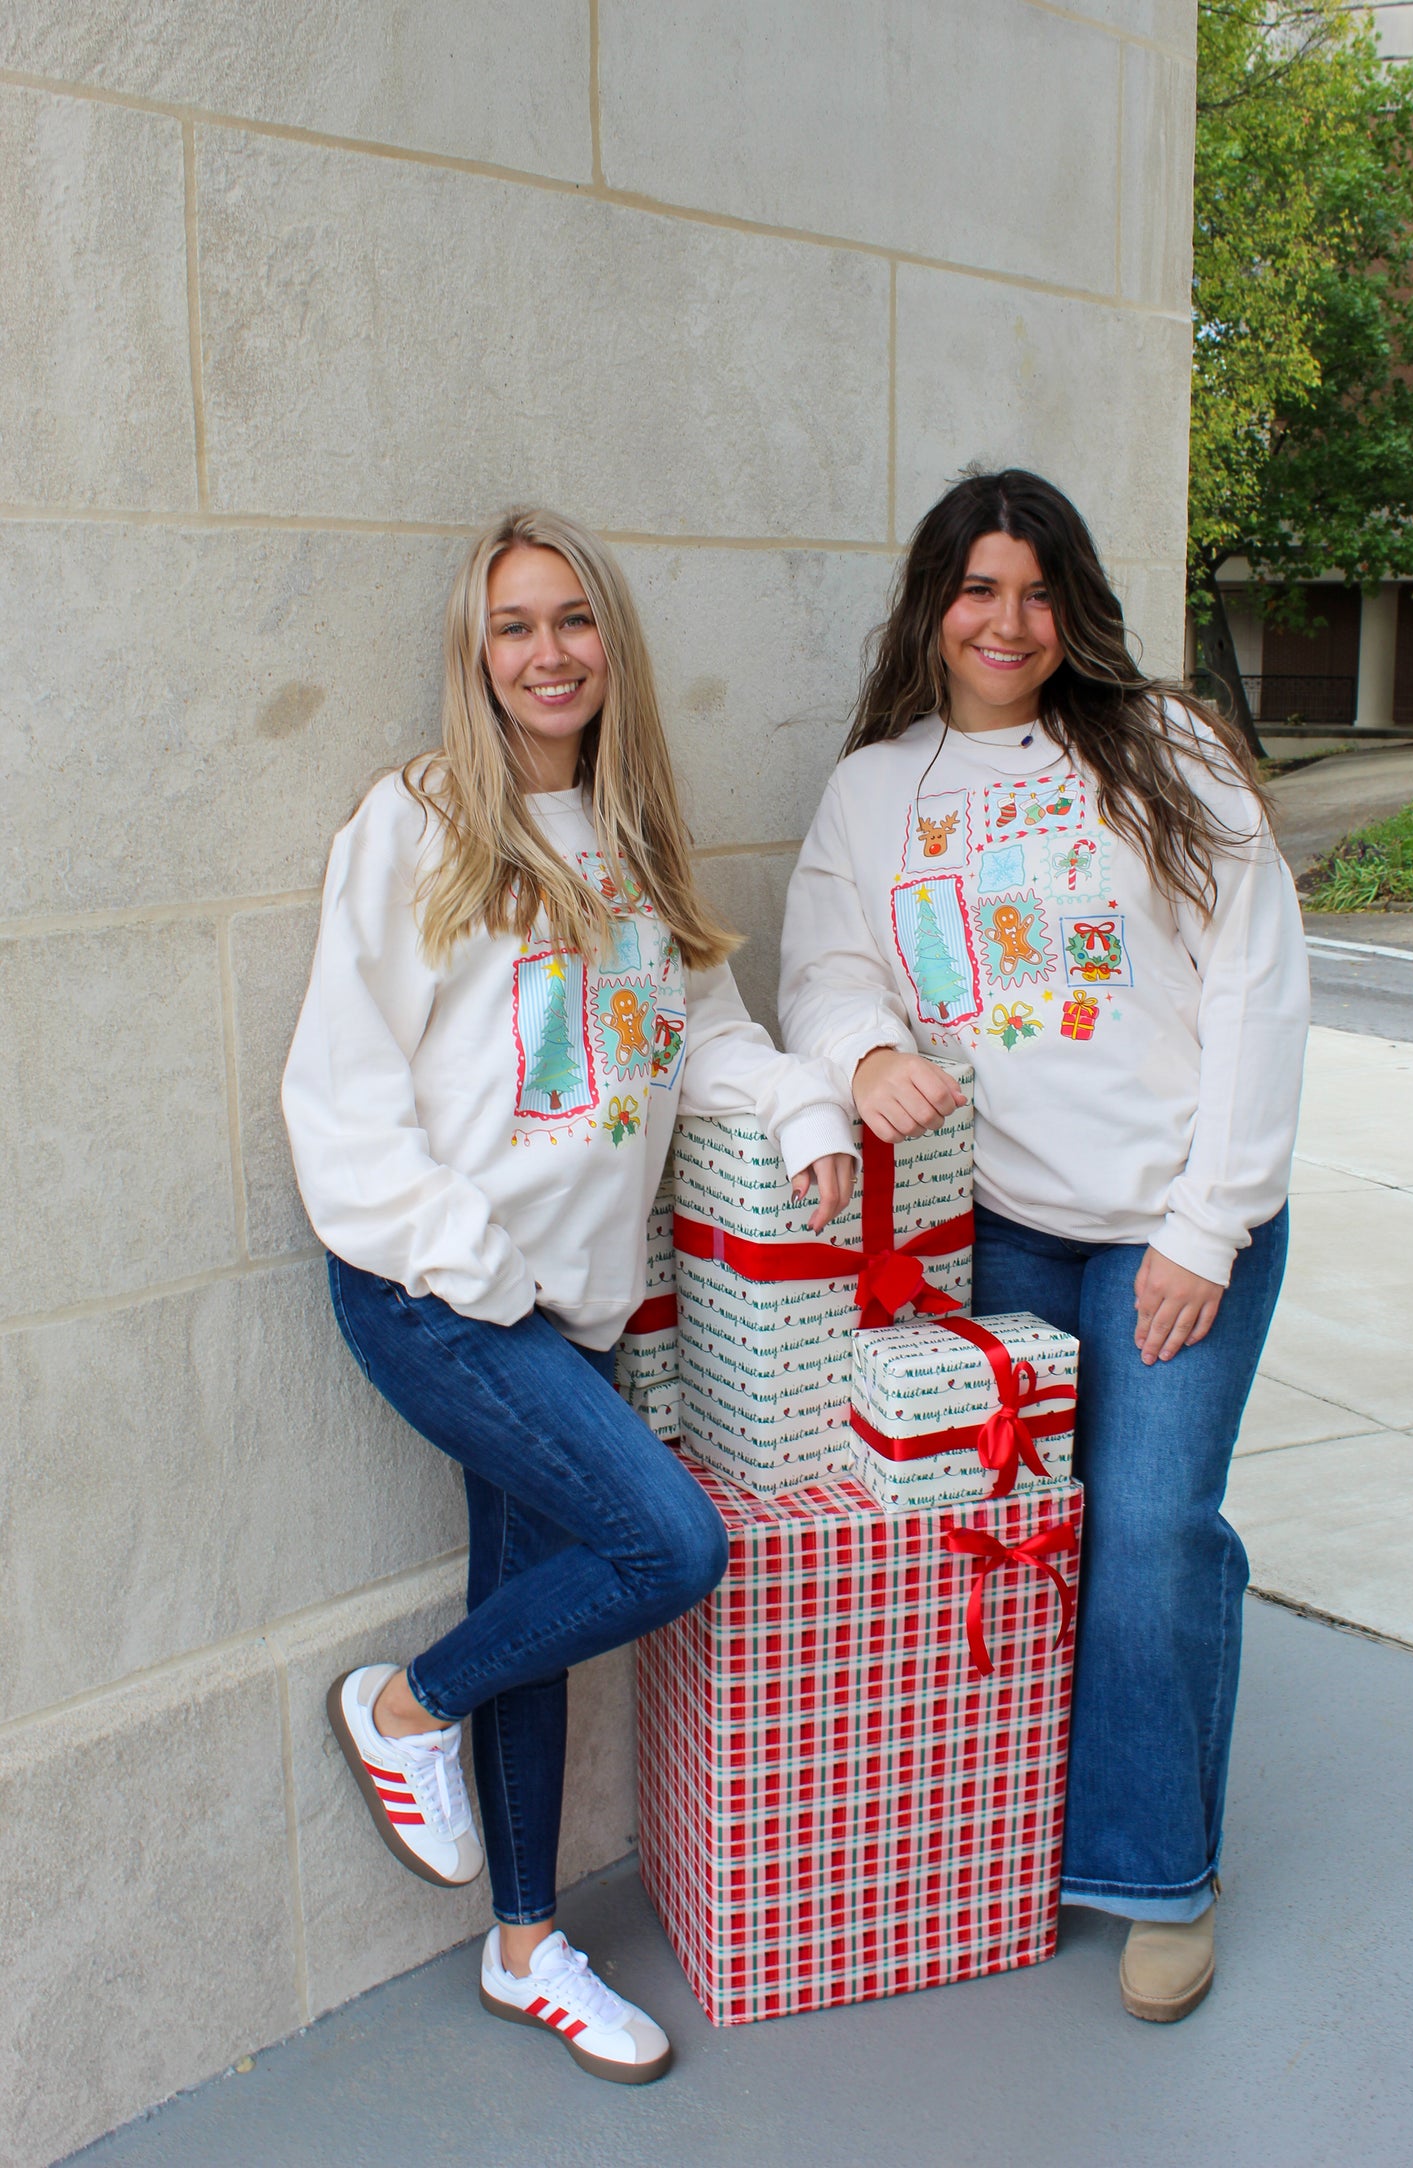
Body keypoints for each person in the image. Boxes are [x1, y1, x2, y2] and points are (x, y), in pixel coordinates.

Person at [283, 508, 856, 2083]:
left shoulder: (637, 831)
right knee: (669, 1542)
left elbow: (709, 1028)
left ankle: (525, 1945)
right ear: (476, 656)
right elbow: (341, 1094)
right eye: (512, 626)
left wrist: (807, 1108)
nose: (547, 653)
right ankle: (403, 1710)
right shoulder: (416, 825)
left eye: (571, 620)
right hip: (436, 1296)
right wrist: (473, 1265)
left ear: (611, 641)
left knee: (532, 1607)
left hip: (565, 1318)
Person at [778, 467, 1308, 2023]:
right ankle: (1005, 1838)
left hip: (1172, 1228)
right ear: (931, 606)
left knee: (1146, 1536)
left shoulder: (1165, 749)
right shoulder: (876, 789)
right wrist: (866, 1049)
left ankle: (1156, 1875)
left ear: (1073, 603)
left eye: (1035, 587)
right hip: (998, 1237)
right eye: (976, 587)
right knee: (1012, 1547)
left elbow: (1256, 991)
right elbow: (820, 966)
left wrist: (1206, 1226)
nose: (1006, 621)